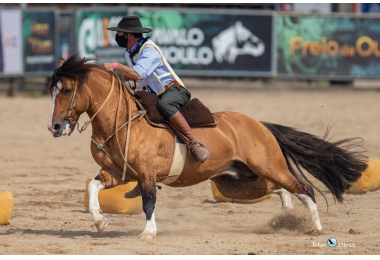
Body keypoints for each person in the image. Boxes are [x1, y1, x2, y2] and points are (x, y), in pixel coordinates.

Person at [103, 16, 210, 163]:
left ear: (128, 35)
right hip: (155, 94)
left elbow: (139, 73)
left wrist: (117, 66)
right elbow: (139, 74)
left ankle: (194, 143)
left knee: (165, 105)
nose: (117, 36)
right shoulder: (129, 53)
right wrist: (128, 76)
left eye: (119, 33)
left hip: (174, 91)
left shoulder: (149, 49)